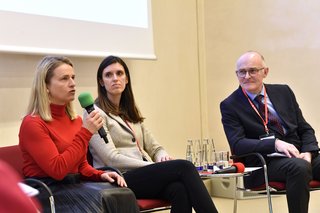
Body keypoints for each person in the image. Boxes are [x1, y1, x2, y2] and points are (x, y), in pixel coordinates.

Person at [84, 55, 218, 213]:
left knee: (179, 188)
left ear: (127, 79)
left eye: (119, 73)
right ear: (101, 82)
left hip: (141, 175)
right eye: (108, 75)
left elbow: (155, 147)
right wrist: (155, 166)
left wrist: (162, 156)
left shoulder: (129, 111)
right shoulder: (94, 113)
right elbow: (111, 158)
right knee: (184, 167)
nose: (115, 78)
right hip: (118, 177)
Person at [19, 56, 140, 213]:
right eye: (64, 79)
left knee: (123, 193)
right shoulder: (32, 123)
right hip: (47, 190)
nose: (72, 83)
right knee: (103, 197)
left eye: (73, 77)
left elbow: (81, 166)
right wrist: (86, 132)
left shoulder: (75, 120)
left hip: (74, 184)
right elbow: (58, 170)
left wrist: (100, 175)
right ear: (46, 86)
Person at [220, 50, 320, 213]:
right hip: (263, 163)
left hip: (299, 154)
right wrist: (274, 144)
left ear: (265, 72)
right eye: (241, 72)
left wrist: (308, 152)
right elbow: (238, 144)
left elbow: (305, 128)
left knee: (301, 164)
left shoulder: (283, 92)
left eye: (252, 70)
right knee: (299, 168)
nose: (246, 76)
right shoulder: (230, 105)